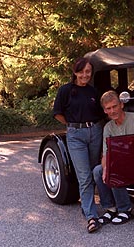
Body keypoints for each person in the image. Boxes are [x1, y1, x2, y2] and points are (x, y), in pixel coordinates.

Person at [53, 57, 104, 233]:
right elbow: (57, 113)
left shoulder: (93, 92)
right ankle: (91, 216)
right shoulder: (65, 90)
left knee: (95, 170)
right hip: (76, 135)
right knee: (84, 176)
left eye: (88, 72)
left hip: (95, 132)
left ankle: (104, 205)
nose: (85, 75)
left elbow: (100, 113)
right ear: (75, 72)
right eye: (81, 71)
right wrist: (73, 125)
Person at [93, 90, 134, 225]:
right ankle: (110, 208)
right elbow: (106, 153)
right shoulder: (108, 128)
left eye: (114, 106)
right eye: (108, 108)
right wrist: (105, 170)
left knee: (115, 169)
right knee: (98, 171)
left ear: (121, 105)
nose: (112, 111)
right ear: (105, 111)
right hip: (120, 166)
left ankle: (125, 209)